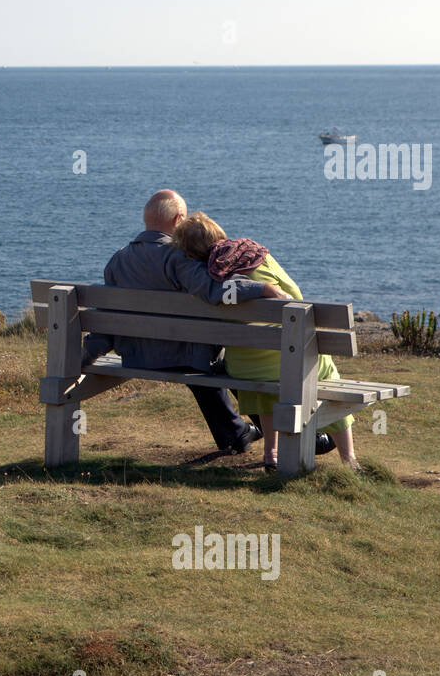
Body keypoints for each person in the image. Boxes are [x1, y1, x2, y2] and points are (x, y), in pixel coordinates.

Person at [81, 190, 290, 455]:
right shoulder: (178, 257)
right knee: (227, 364)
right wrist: (261, 288)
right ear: (179, 219)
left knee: (202, 366)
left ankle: (235, 433)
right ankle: (279, 433)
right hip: (185, 356)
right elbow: (215, 291)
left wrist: (85, 355)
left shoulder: (118, 259)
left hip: (137, 358)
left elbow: (106, 317)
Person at [172, 211, 359, 470]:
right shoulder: (257, 256)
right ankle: (349, 460)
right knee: (325, 375)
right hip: (286, 363)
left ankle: (271, 453)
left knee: (264, 369)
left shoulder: (206, 280)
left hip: (243, 369)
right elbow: (295, 295)